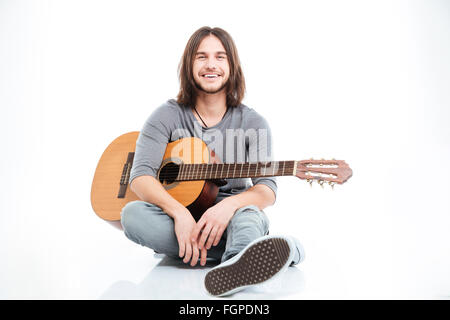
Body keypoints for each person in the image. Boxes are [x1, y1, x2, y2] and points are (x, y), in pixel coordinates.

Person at [120, 26, 305, 297]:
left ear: (232, 65)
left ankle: (233, 261)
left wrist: (228, 206)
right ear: (189, 64)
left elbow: (267, 190)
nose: (211, 65)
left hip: (236, 216)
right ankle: (252, 255)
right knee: (131, 215)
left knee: (248, 220)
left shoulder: (253, 123)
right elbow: (140, 176)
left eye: (220, 57)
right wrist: (179, 213)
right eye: (201, 56)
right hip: (180, 219)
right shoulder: (166, 115)